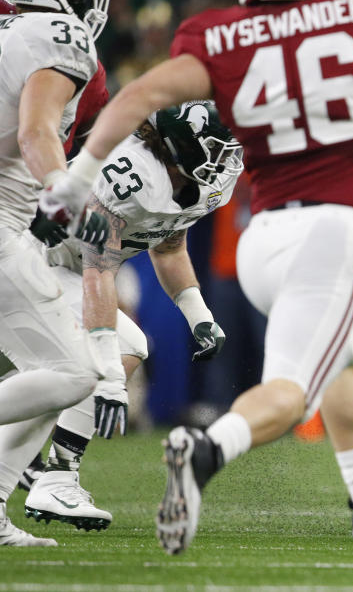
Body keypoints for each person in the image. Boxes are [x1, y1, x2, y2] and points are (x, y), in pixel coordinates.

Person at [77, 0, 353, 557]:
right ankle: (206, 453)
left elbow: (140, 95)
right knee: (291, 394)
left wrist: (75, 177)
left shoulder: (220, 34)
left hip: (266, 236)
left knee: (348, 356)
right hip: (336, 229)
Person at [4, 101, 241, 538]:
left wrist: (198, 315)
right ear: (182, 147)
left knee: (58, 380)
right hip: (32, 258)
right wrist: (112, 380)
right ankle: (57, 475)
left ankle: (34, 481)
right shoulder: (132, 175)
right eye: (216, 149)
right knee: (120, 350)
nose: (227, 159)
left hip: (66, 270)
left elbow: (168, 247)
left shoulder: (192, 182)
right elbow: (99, 270)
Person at [0, 0, 114, 547]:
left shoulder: (10, 31)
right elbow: (37, 132)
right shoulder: (62, 37)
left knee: (51, 370)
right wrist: (63, 191)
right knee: (73, 373)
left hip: (10, 229)